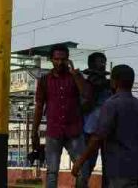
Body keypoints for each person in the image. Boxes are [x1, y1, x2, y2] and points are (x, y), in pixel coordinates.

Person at [72, 64, 138, 188]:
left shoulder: (111, 105)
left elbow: (98, 137)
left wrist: (80, 161)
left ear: (114, 82)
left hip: (120, 170)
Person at [32, 44, 91, 188]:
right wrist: (34, 132)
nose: (59, 62)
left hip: (74, 131)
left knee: (83, 169)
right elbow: (39, 106)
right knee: (52, 172)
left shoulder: (75, 77)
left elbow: (87, 95)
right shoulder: (45, 80)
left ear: (68, 60)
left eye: (63, 59)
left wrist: (75, 73)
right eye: (56, 59)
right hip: (54, 132)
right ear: (51, 59)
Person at [80, 51, 111, 187]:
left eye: (103, 62)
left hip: (106, 132)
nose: (102, 65)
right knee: (87, 166)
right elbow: (83, 107)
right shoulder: (85, 85)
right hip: (89, 131)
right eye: (99, 62)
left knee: (108, 167)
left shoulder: (110, 86)